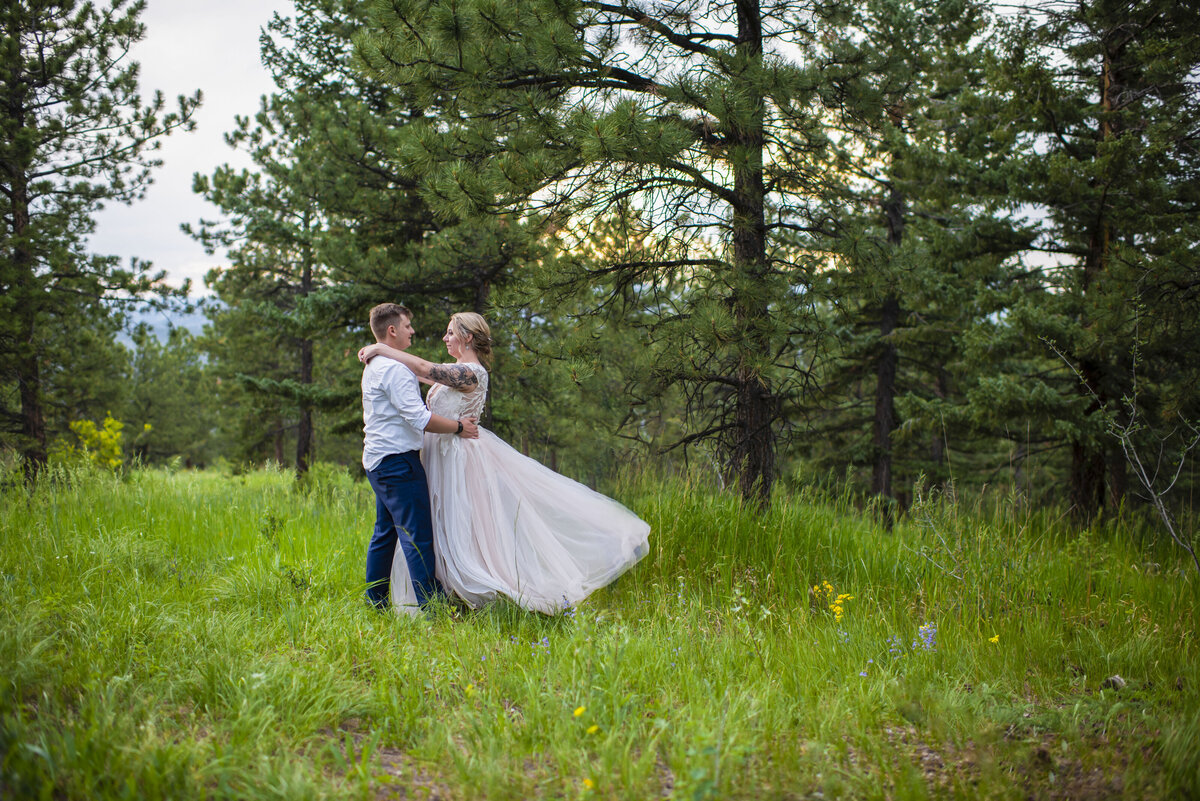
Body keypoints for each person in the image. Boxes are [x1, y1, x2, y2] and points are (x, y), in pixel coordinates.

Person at [359, 312, 650, 614]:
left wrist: (380, 348)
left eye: (450, 333)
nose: (444, 338)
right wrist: (382, 353)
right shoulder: (453, 370)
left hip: (459, 455)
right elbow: (420, 372)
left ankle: (465, 597)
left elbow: (421, 367)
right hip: (437, 454)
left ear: (467, 337)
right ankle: (442, 594)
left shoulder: (472, 373)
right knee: (433, 527)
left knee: (461, 526)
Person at [361, 303, 479, 614]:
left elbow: (426, 372)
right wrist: (457, 427)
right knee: (417, 537)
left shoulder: (376, 364)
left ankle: (375, 603)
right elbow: (419, 417)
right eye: (408, 326)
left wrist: (377, 348)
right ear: (392, 330)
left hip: (379, 460)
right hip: (397, 462)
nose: (413, 331)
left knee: (385, 533)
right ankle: (434, 608)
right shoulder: (393, 369)